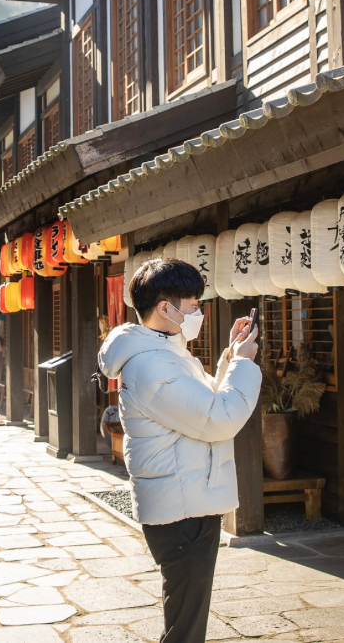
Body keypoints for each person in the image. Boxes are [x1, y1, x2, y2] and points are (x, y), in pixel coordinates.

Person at [98, 258, 261, 643]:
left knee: (186, 615)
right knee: (186, 624)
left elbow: (204, 403)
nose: (199, 313)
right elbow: (220, 417)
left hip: (185, 499)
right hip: (182, 508)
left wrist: (229, 357)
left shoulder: (166, 352)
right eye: (193, 305)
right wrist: (242, 364)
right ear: (165, 308)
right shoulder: (154, 366)